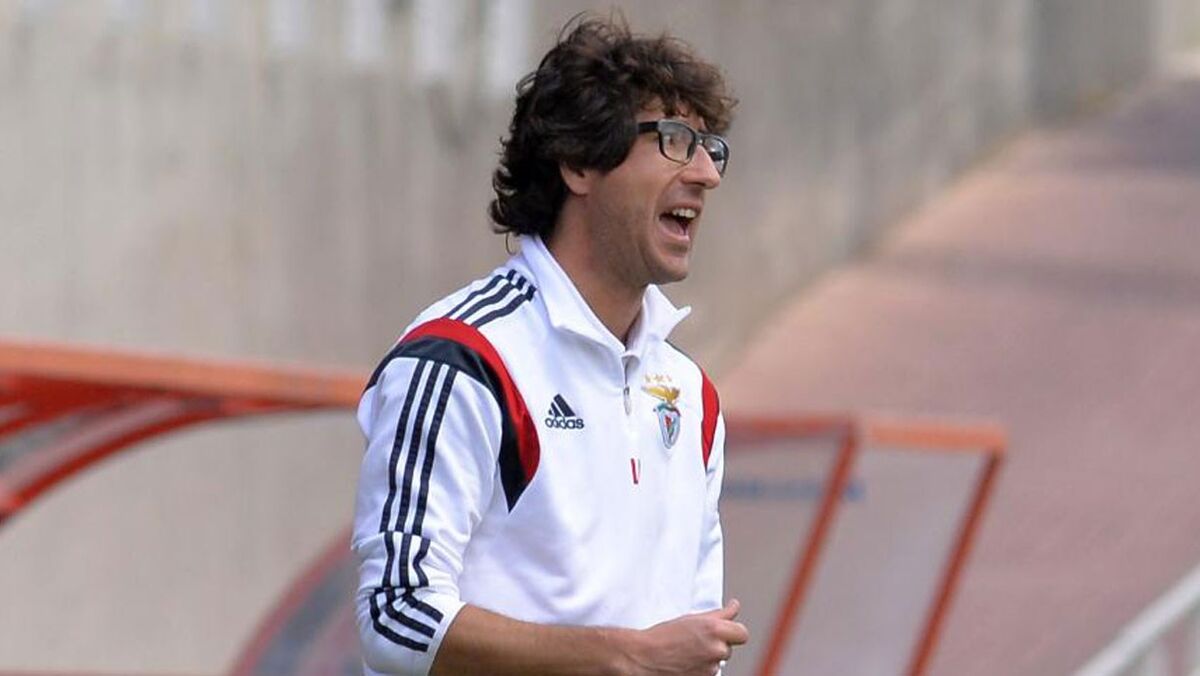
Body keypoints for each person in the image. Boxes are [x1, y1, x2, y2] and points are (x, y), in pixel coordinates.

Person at [352, 15, 746, 676]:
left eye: (711, 148)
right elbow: (396, 612)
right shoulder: (461, 360)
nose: (707, 173)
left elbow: (690, 649)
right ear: (579, 163)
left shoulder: (691, 396)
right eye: (675, 141)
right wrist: (626, 657)